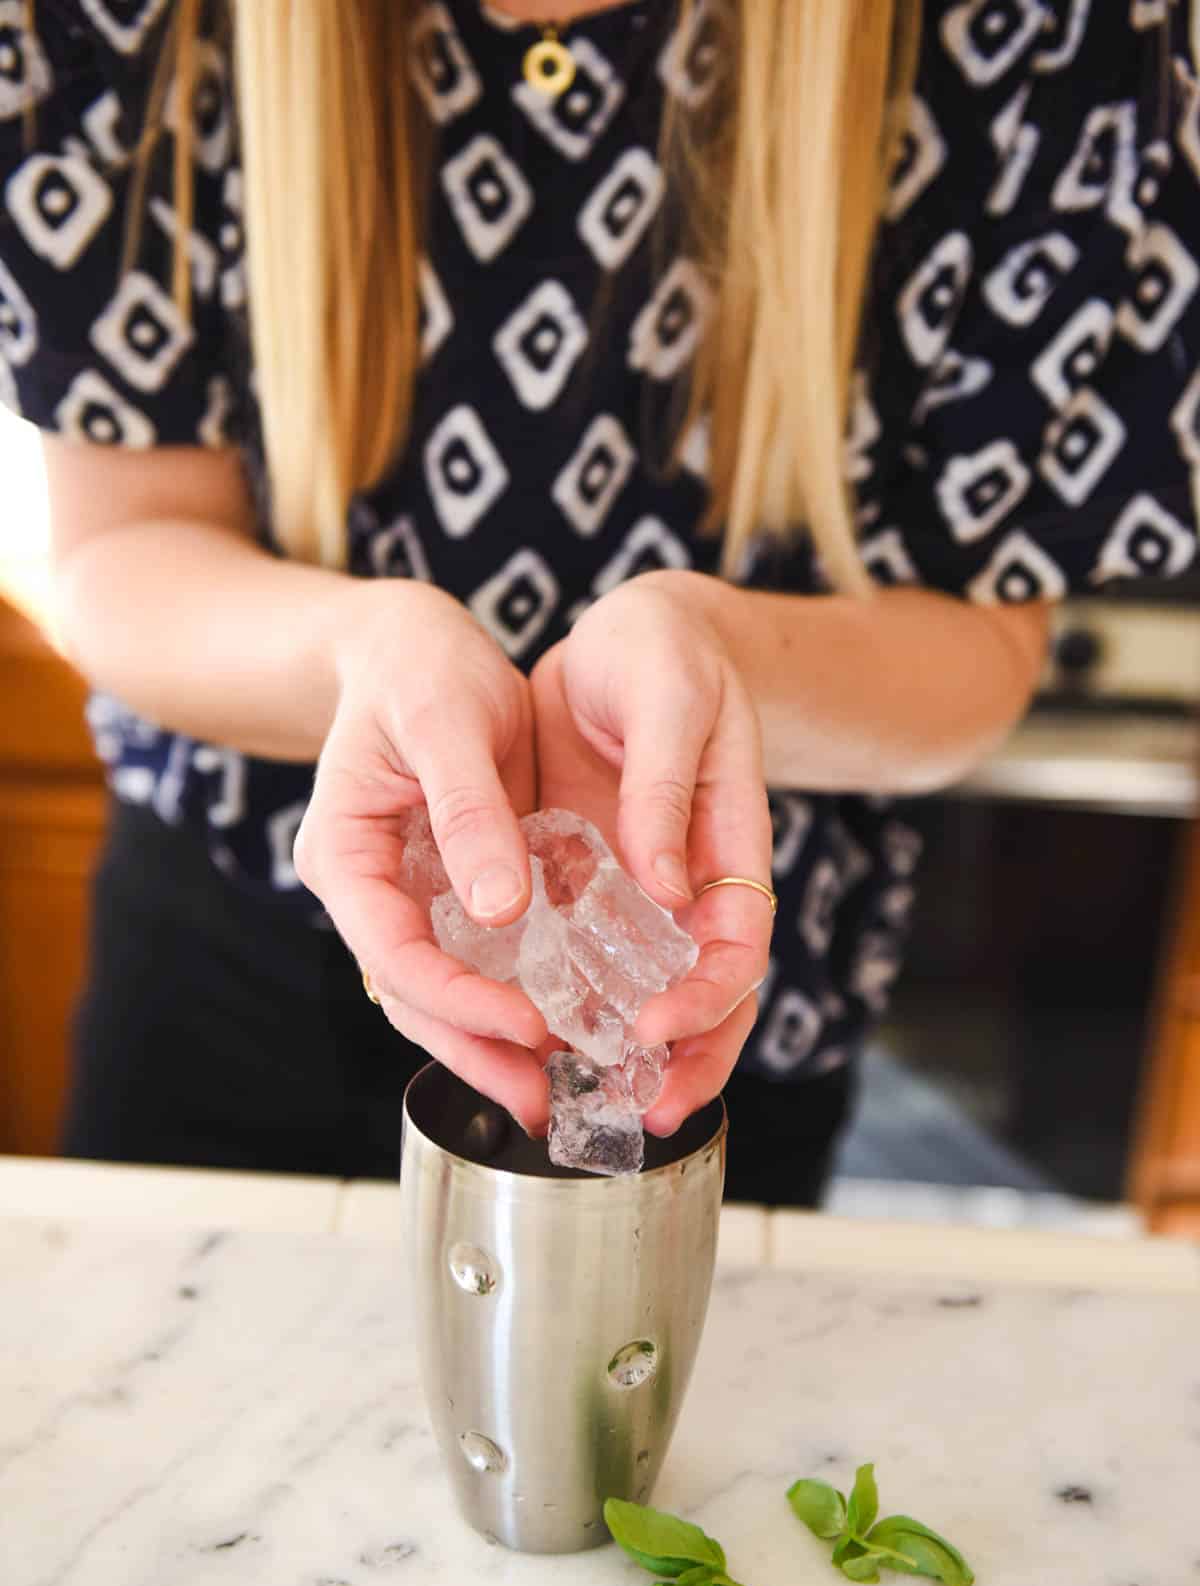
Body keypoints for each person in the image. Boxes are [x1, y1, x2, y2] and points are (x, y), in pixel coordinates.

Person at [1, 0, 1196, 1199]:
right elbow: (119, 551)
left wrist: (721, 656)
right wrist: (363, 649)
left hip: (703, 1008)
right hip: (228, 967)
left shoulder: (1051, 27)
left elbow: (982, 647)